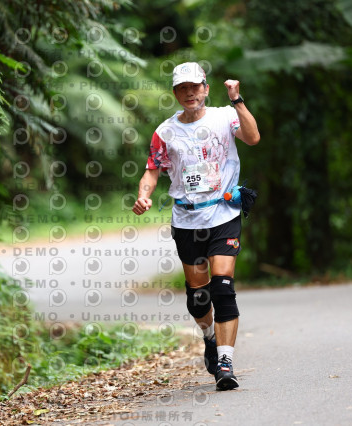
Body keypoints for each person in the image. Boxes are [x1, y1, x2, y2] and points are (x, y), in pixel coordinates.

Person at [132, 62, 260, 390]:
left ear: (205, 88)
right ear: (175, 93)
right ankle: (209, 337)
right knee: (199, 297)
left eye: (194, 87)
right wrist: (144, 195)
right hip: (187, 220)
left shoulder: (225, 116)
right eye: (182, 88)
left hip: (223, 213)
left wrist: (237, 99)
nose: (189, 93)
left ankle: (226, 363)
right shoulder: (165, 132)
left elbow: (253, 137)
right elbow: (152, 169)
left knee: (223, 287)